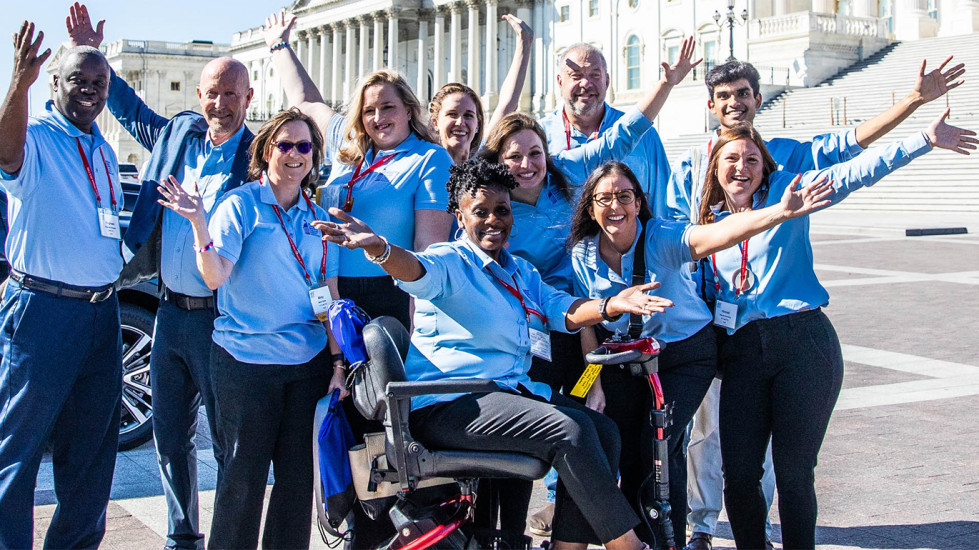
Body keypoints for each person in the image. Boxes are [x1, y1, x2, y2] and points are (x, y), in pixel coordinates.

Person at [667, 57, 966, 550]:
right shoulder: (702, 205)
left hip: (800, 339)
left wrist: (922, 137)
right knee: (737, 470)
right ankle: (723, 532)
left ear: (766, 161)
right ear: (712, 167)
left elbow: (856, 167)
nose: (740, 167)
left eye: (751, 160)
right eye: (730, 162)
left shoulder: (792, 184)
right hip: (736, 346)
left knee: (792, 472)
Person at [317, 158, 673, 550]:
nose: (492, 220)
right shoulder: (450, 259)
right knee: (567, 430)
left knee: (602, 431)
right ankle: (628, 546)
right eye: (480, 212)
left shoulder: (520, 271)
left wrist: (612, 305)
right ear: (459, 217)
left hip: (500, 394)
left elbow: (563, 310)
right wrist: (381, 249)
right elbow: (414, 269)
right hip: (449, 404)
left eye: (501, 210)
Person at [476, 37, 700, 537]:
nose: (528, 165)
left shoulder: (565, 172)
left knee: (583, 401)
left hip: (577, 325)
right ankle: (554, 513)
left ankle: (593, 519)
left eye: (535, 153)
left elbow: (622, 139)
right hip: (520, 332)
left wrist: (665, 84)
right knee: (542, 422)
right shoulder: (492, 204)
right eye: (515, 157)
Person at [66, 4, 259, 548]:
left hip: (223, 319)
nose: (220, 103)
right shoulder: (178, 135)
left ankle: (229, 536)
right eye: (212, 93)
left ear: (248, 100)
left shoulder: (257, 158)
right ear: (200, 97)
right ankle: (182, 538)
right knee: (170, 436)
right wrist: (95, 54)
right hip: (170, 314)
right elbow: (131, 112)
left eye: (231, 94)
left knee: (227, 441)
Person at [568, 161, 832, 547]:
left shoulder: (662, 238)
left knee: (659, 444)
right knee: (621, 447)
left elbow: (717, 235)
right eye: (604, 198)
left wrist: (781, 211)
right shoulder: (583, 253)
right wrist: (592, 384)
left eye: (624, 196)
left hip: (684, 354)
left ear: (639, 203)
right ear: (590, 208)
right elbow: (586, 319)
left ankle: (667, 539)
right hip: (626, 358)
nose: (615, 207)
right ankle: (637, 541)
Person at [158, 107, 348, 549]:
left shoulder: (319, 219)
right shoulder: (240, 205)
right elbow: (214, 276)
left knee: (297, 483)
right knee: (242, 480)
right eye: (285, 145)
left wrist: (339, 363)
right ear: (266, 152)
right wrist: (198, 222)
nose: (295, 154)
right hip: (246, 365)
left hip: (308, 365)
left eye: (305, 146)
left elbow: (329, 296)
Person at [0, 24, 122, 549]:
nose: (91, 90)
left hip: (102, 314)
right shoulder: (37, 136)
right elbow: (6, 156)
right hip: (43, 311)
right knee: (18, 451)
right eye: (78, 79)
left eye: (100, 81)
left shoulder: (103, 149)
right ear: (55, 83)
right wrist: (17, 85)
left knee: (93, 452)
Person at [538, 43, 672, 217]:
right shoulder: (537, 138)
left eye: (595, 75)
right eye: (576, 76)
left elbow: (664, 207)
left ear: (607, 81)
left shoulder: (644, 135)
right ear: (560, 81)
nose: (586, 84)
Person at [428, 13, 533, 166]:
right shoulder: (424, 162)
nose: (460, 122)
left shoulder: (479, 157)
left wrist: (524, 44)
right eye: (452, 114)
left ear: (477, 125)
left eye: (469, 115)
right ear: (435, 122)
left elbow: (507, 104)